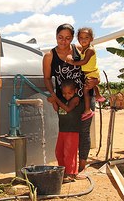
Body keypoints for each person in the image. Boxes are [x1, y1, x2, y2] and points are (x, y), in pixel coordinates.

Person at [42, 23, 99, 175]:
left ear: (72, 38)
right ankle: (68, 166)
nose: (63, 41)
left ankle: (82, 166)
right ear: (56, 36)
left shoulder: (79, 50)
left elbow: (92, 66)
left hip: (85, 95)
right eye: (60, 37)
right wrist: (53, 96)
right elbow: (47, 78)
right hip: (64, 99)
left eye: (68, 38)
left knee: (84, 131)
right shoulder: (49, 56)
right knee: (67, 131)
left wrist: (96, 81)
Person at [66, 27, 105, 121]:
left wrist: (72, 62)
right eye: (81, 38)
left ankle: (88, 110)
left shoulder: (90, 50)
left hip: (91, 73)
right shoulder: (84, 49)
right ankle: (99, 96)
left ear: (91, 39)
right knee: (92, 86)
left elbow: (84, 61)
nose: (83, 40)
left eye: (86, 37)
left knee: (86, 91)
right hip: (89, 73)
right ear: (78, 39)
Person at [48, 79, 83, 182]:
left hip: (72, 130)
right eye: (64, 93)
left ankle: (71, 173)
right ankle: (63, 171)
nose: (66, 95)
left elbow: (68, 109)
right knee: (59, 152)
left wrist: (56, 99)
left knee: (69, 153)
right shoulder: (62, 99)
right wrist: (53, 101)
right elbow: (57, 109)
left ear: (75, 91)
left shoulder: (76, 99)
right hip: (62, 129)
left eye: (69, 93)